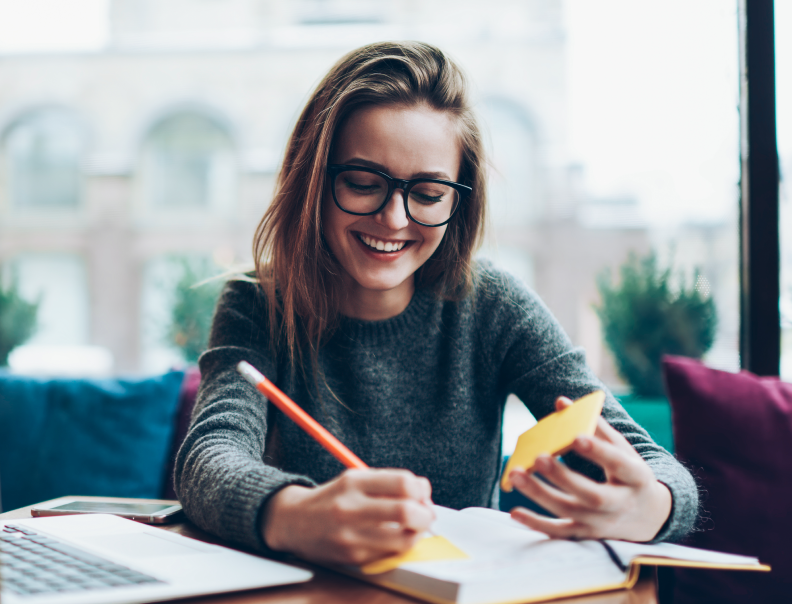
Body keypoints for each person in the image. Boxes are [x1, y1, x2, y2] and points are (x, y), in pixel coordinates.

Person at [173, 41, 698, 566]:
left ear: (457, 202)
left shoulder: (494, 306)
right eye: (362, 183)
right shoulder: (258, 303)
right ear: (313, 177)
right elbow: (208, 459)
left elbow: (657, 466)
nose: (395, 219)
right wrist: (297, 515)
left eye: (427, 194)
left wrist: (650, 505)